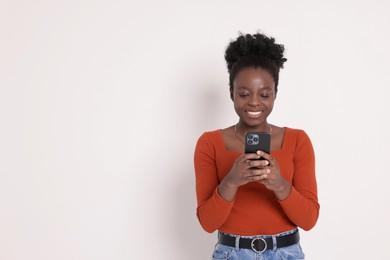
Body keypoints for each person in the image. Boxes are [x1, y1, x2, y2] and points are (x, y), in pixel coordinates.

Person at [193, 32, 319, 259]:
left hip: (286, 253)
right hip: (231, 253)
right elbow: (207, 222)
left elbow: (309, 220)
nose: (254, 102)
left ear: (275, 95)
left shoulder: (298, 140)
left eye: (264, 94)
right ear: (231, 93)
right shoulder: (209, 143)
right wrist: (232, 181)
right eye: (243, 93)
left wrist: (279, 184)